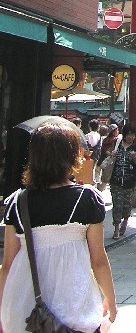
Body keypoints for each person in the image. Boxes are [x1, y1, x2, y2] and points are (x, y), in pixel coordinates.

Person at [0, 121, 117, 333]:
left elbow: (7, 264)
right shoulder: (87, 198)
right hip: (74, 306)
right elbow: (98, 259)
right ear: (71, 157)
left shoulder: (18, 202)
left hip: (26, 312)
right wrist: (110, 299)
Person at [109, 122, 136, 239]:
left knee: (127, 205)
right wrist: (112, 154)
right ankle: (116, 229)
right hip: (116, 180)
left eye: (132, 135)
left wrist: (135, 158)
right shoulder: (117, 143)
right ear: (124, 134)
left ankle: (125, 222)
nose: (130, 137)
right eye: (128, 134)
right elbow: (108, 154)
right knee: (117, 204)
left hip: (129, 180)